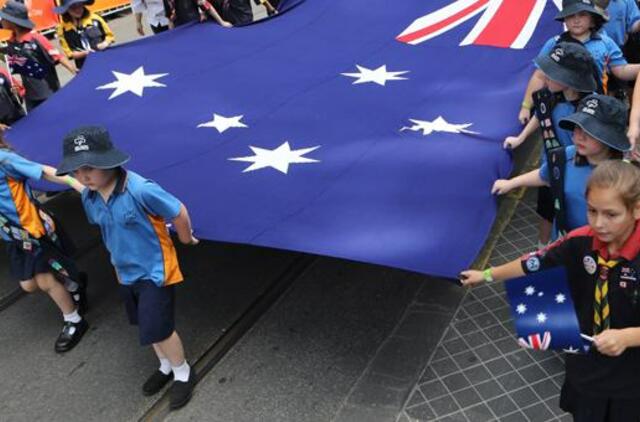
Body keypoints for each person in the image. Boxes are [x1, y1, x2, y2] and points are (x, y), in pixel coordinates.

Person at [461, 159, 640, 422]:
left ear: (636, 209)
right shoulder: (580, 240)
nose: (599, 224)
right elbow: (533, 263)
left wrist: (627, 337)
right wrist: (487, 274)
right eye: (592, 211)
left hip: (631, 382)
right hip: (587, 371)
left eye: (611, 214)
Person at [56, 126, 199, 409]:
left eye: (89, 168)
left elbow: (178, 211)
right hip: (124, 271)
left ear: (109, 161)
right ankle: (165, 365)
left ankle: (183, 371)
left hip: (155, 271)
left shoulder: (139, 189)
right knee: (144, 324)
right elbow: (108, 230)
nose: (82, 176)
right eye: (76, 170)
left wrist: (186, 238)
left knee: (159, 327)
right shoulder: (90, 196)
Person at [504, 42, 598, 247]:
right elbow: (541, 115)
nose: (545, 76)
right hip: (549, 167)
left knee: (572, 213)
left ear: (570, 80)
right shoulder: (551, 96)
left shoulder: (591, 109)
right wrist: (520, 138)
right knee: (546, 209)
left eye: (552, 73)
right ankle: (543, 247)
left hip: (576, 173)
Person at [494, 94, 630, 237]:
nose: (579, 136)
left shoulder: (626, 175)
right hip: (563, 242)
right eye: (577, 127)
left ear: (610, 137)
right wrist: (510, 183)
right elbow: (545, 175)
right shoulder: (564, 156)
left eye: (590, 132)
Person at [0, 134, 88, 352]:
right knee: (28, 285)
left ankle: (74, 320)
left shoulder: (4, 160)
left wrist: (74, 183)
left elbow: (43, 170)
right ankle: (74, 284)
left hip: (31, 231)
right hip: (11, 237)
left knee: (44, 281)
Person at [518, 0, 640, 125]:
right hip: (558, 110)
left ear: (592, 19)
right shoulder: (554, 43)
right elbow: (540, 76)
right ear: (564, 19)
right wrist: (526, 106)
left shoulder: (605, 42)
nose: (576, 20)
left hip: (592, 109)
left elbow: (621, 70)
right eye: (571, 15)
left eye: (582, 14)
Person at [0, 0, 77, 111]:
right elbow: (14, 63)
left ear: (13, 21)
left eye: (3, 18)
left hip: (48, 93)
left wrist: (75, 71)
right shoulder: (11, 42)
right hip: (30, 97)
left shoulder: (36, 38)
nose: (1, 20)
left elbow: (58, 56)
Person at [54, 0, 115, 70]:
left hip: (104, 60)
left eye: (80, 5)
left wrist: (105, 43)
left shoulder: (95, 19)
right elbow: (70, 54)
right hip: (84, 67)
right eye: (73, 7)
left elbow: (110, 36)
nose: (78, 10)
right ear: (66, 9)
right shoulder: (62, 30)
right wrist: (86, 53)